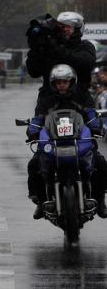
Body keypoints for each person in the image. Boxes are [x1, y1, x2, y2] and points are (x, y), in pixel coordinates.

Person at [26, 64, 107, 219]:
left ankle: (101, 200)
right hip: (53, 142)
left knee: (100, 163)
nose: (62, 85)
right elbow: (38, 117)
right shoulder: (47, 100)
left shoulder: (81, 96)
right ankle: (41, 202)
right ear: (53, 84)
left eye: (65, 81)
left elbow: (91, 113)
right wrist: (33, 130)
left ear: (71, 81)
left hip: (80, 140)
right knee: (34, 164)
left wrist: (96, 127)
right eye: (58, 82)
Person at [26, 11, 96, 114]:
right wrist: (36, 49)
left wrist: (58, 49)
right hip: (49, 100)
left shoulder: (85, 46)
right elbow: (34, 72)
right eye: (61, 27)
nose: (65, 30)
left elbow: (86, 62)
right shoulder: (49, 47)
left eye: (68, 27)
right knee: (35, 129)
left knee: (94, 127)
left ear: (77, 29)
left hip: (80, 98)